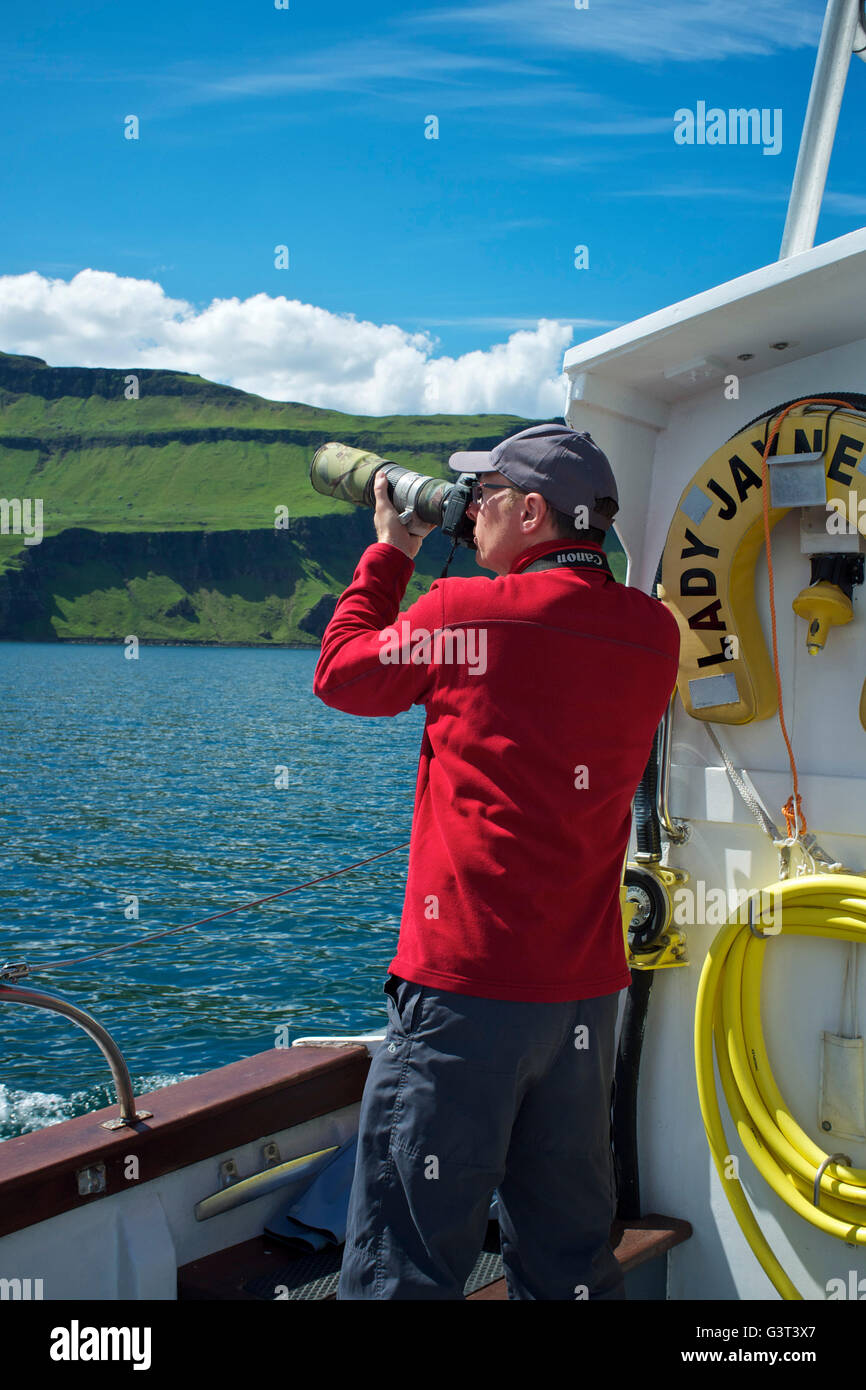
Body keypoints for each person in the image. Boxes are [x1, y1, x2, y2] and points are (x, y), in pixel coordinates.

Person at [312, 422, 680, 1300]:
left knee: (407, 1260)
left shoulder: (464, 610)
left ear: (530, 509)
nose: (470, 511)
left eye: (484, 496)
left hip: (468, 991)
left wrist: (390, 554)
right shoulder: (653, 632)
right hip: (585, 997)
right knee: (567, 1260)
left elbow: (341, 675)